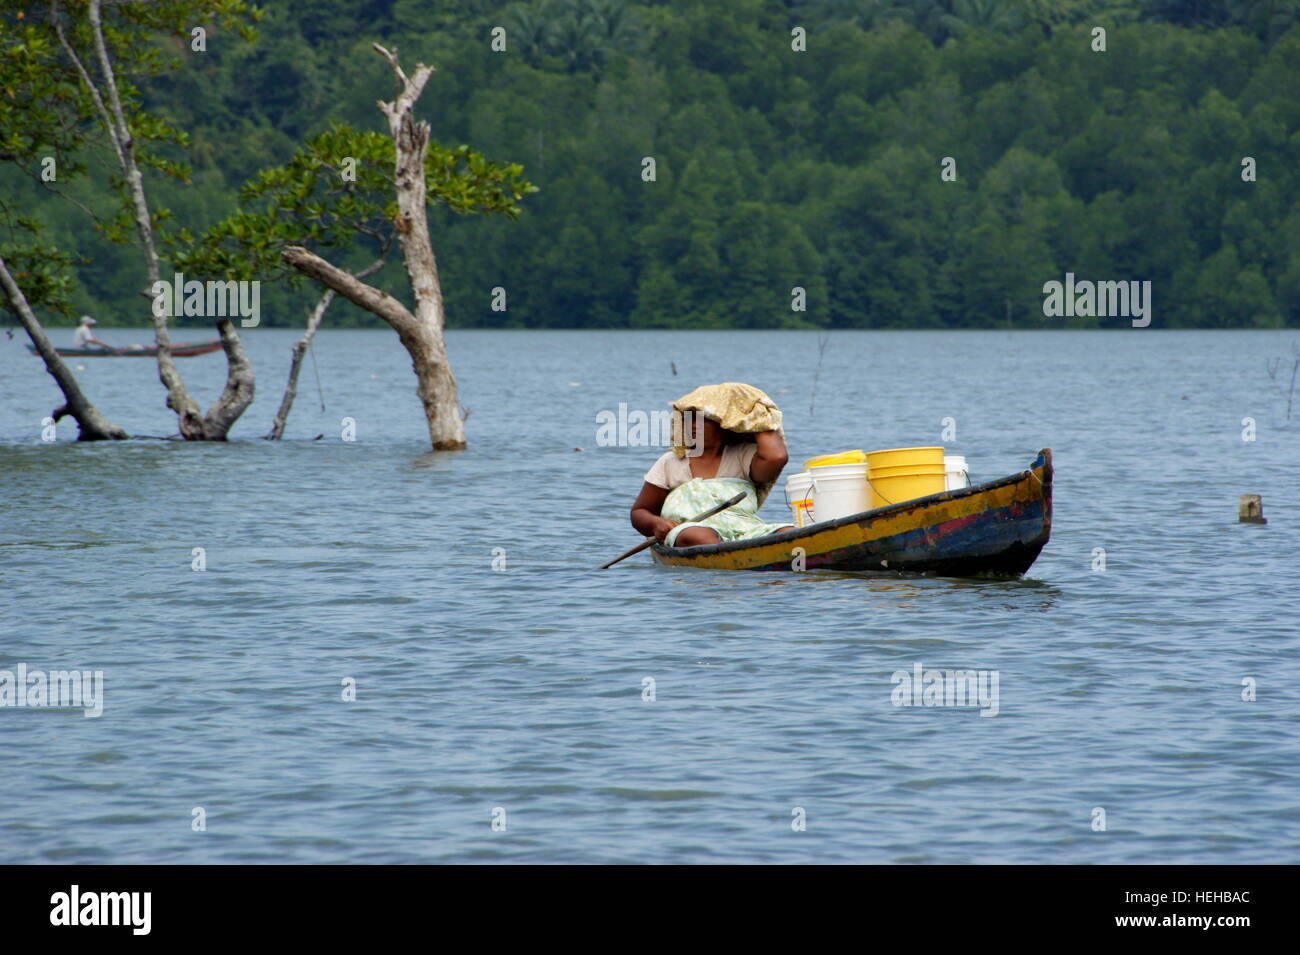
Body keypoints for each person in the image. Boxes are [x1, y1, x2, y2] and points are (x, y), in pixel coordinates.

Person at [631, 412, 795, 548]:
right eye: (689, 418)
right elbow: (639, 512)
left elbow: (777, 457)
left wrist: (755, 416)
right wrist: (656, 523)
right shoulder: (671, 461)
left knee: (790, 534)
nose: (693, 425)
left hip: (745, 531)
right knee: (701, 537)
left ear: (724, 425)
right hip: (689, 531)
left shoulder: (743, 456)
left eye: (703, 419)